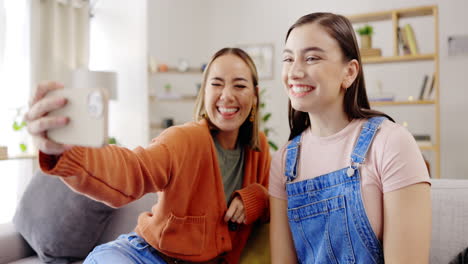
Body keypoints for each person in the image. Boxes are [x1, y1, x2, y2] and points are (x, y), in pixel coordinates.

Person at [25, 47, 271, 264]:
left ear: (255, 94)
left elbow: (276, 200)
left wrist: (255, 197)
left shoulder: (258, 147)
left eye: (239, 85)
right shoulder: (184, 139)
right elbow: (131, 169)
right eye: (216, 84)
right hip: (139, 255)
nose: (227, 95)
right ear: (204, 93)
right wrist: (68, 151)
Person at [269, 12, 431, 263]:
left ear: (350, 72)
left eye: (311, 58)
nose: (295, 71)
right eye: (288, 58)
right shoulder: (284, 161)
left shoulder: (390, 143)